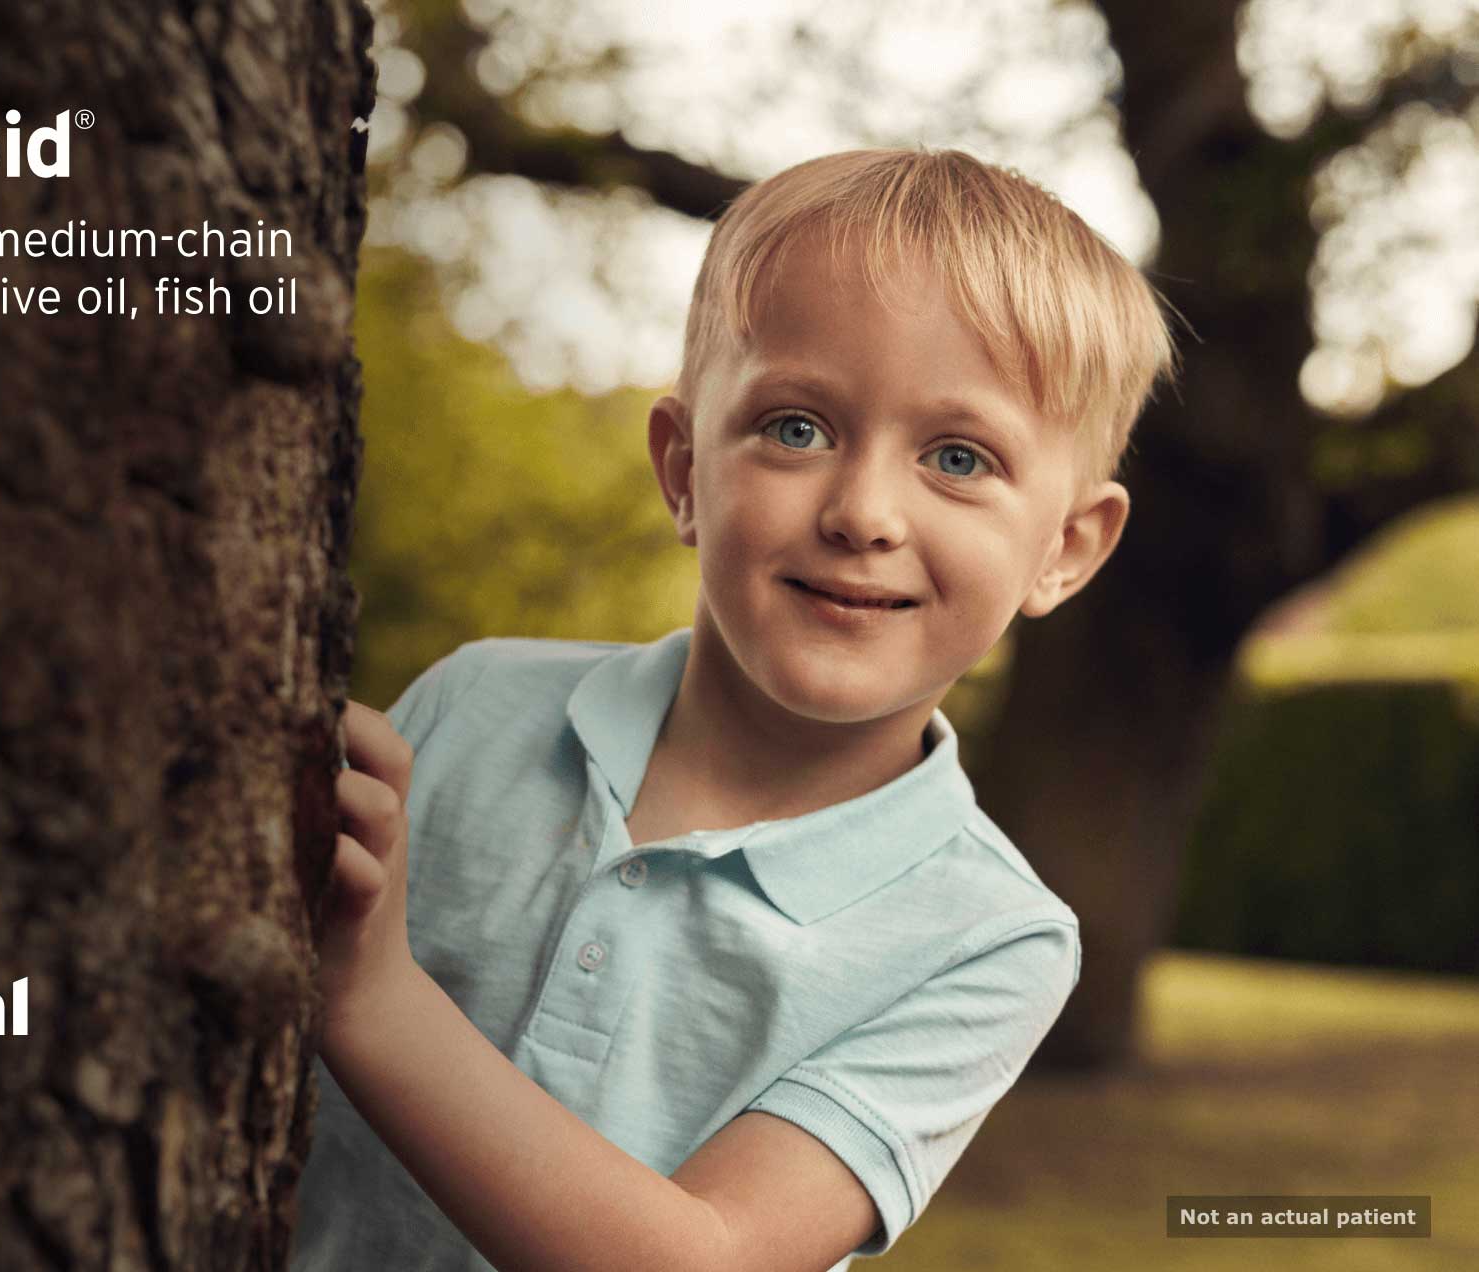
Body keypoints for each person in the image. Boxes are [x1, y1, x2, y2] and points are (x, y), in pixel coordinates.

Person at [296, 147, 1177, 1272]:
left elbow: (703, 1259)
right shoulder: (471, 704)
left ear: (1064, 547)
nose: (862, 513)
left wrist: (369, 1000)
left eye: (956, 457)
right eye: (795, 428)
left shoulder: (988, 938)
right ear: (680, 471)